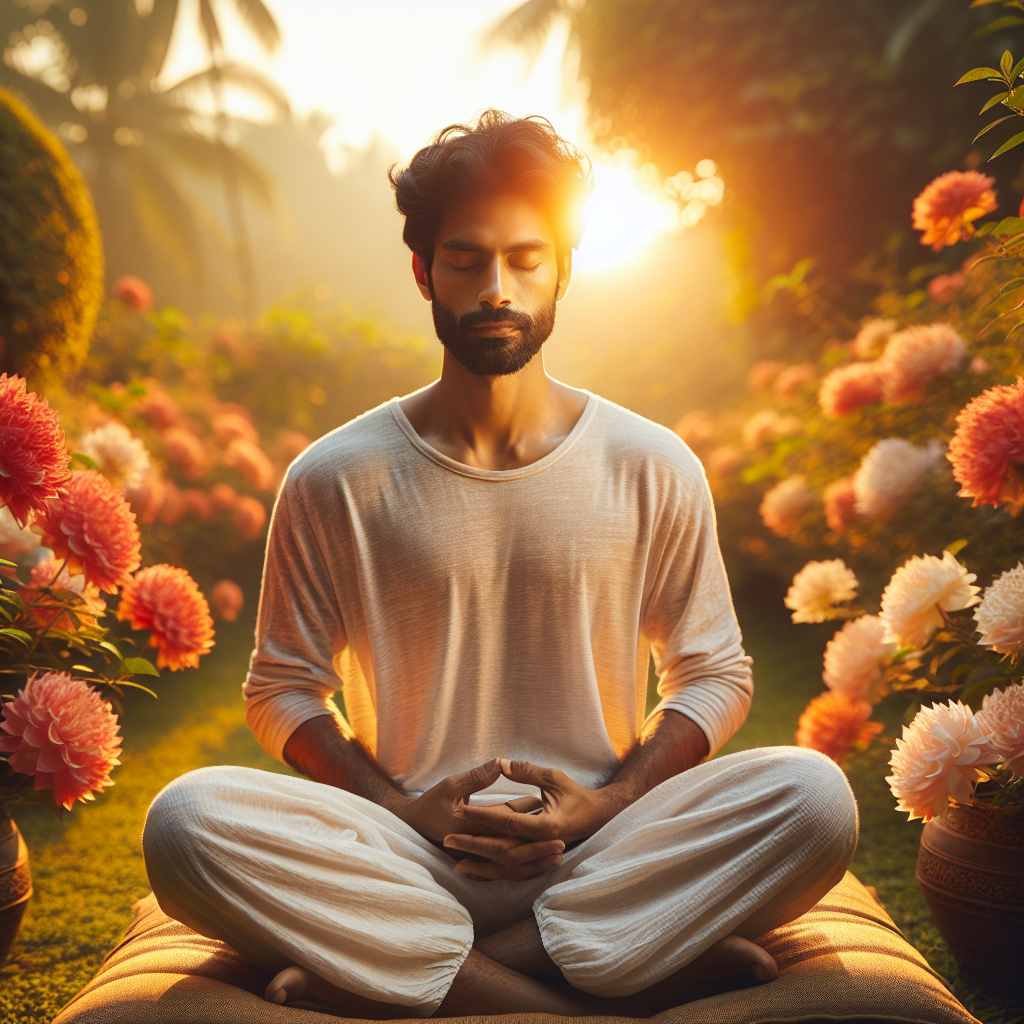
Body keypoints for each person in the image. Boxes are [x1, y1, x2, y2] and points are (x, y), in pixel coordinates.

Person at [142, 110, 858, 1019]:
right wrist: (405, 810)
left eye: (525, 259)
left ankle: (408, 975)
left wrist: (608, 804)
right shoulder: (335, 477)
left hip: (602, 845)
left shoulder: (651, 464)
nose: (495, 288)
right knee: (186, 824)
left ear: (563, 271)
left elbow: (713, 672)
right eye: (466, 259)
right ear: (422, 272)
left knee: (813, 799)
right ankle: (591, 993)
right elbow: (282, 687)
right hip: (406, 849)